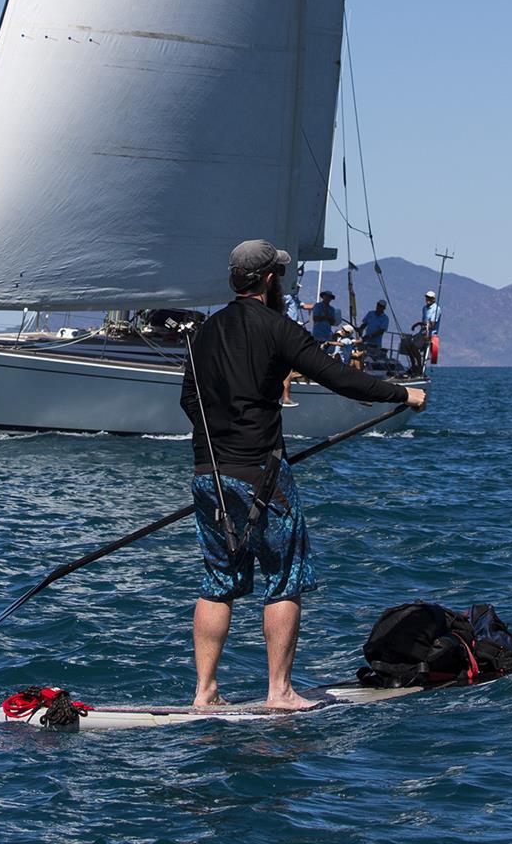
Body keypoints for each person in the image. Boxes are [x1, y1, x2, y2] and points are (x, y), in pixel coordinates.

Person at [180, 239, 426, 711]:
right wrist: (402, 395)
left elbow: (189, 401)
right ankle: (281, 693)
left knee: (218, 582)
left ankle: (204, 693)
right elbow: (340, 378)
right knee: (283, 578)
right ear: (270, 280)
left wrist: (225, 439)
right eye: (282, 275)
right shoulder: (278, 328)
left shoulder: (204, 333)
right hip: (262, 476)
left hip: (207, 474)